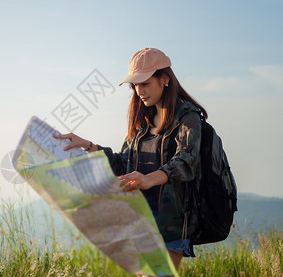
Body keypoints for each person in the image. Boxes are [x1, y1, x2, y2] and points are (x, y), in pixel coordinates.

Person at [53, 47, 206, 271]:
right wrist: (87, 145)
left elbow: (187, 160)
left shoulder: (187, 117)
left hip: (172, 223)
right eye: (135, 85)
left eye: (145, 83)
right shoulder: (142, 121)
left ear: (164, 79)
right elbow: (122, 163)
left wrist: (149, 179)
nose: (139, 90)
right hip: (140, 220)